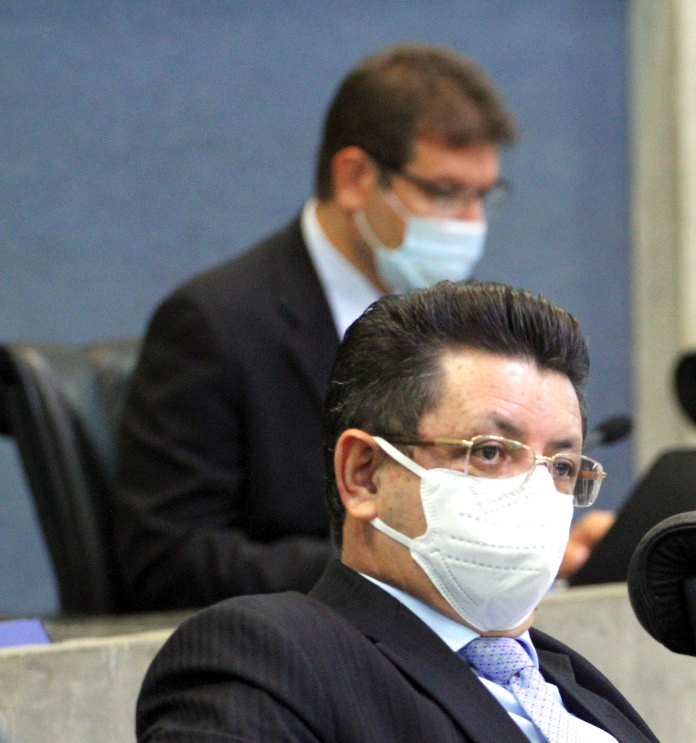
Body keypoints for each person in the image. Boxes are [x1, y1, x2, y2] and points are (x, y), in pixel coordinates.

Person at [123, 282, 696, 743]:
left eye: (562, 467)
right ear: (364, 475)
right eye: (490, 452)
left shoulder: (566, 679)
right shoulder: (270, 660)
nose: (539, 494)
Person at [113, 43, 610, 610]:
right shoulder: (216, 322)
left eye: (483, 196)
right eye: (445, 192)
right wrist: (406, 556)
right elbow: (169, 559)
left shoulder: (464, 331)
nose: (471, 223)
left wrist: (531, 544)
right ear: (354, 177)